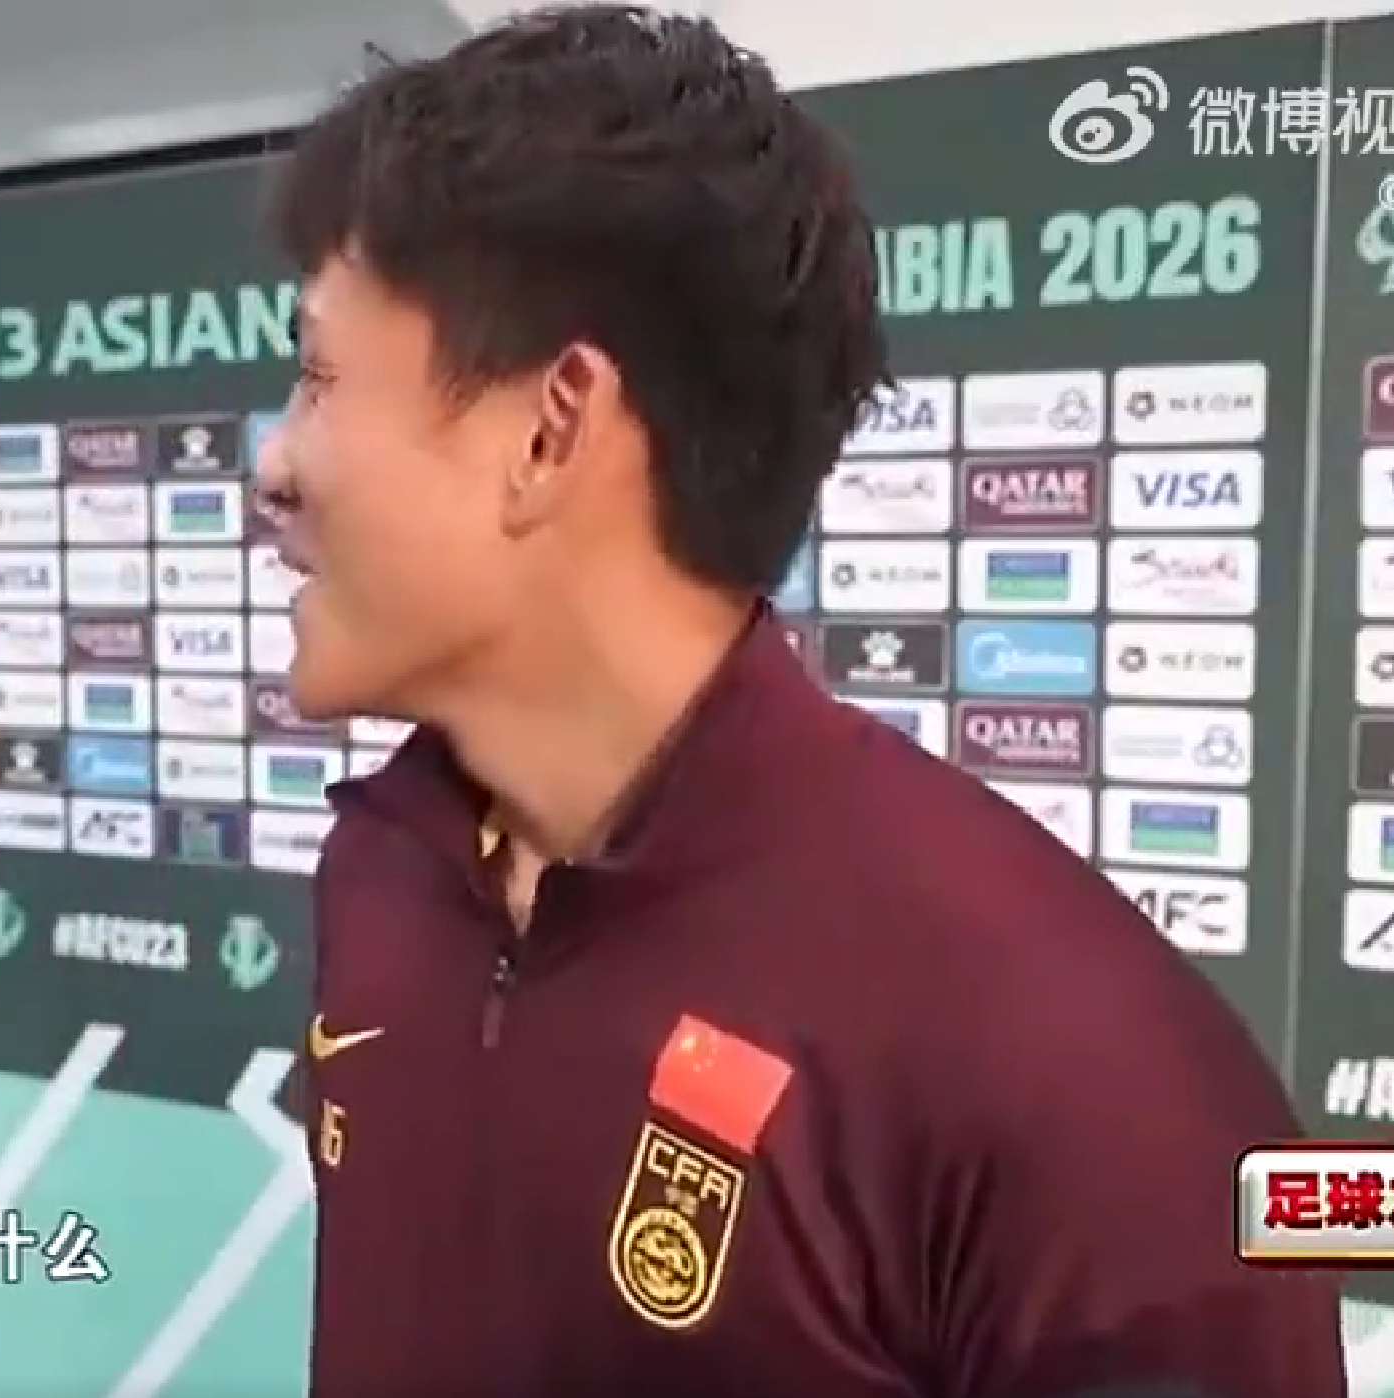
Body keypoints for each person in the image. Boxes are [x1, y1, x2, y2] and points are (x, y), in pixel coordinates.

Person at [254, 7, 1349, 1397]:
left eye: (319, 376)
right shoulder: (387, 867)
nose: (272, 468)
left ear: (550, 427)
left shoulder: (1091, 1082)